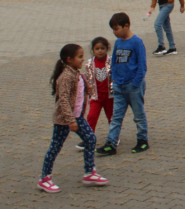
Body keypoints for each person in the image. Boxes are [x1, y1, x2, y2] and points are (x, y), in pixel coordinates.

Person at [38, 43, 109, 193]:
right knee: (55, 147)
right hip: (65, 119)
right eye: (80, 57)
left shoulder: (76, 73)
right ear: (69, 59)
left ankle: (89, 173)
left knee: (90, 139)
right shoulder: (66, 76)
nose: (83, 60)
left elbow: (78, 90)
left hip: (77, 116)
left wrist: (88, 90)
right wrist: (70, 120)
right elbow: (63, 99)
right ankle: (44, 178)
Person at [96, 13, 150, 157]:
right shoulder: (118, 42)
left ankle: (142, 139)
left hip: (133, 86)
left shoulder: (136, 42)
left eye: (116, 28)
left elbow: (142, 65)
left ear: (126, 26)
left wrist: (136, 83)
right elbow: (114, 61)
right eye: (113, 29)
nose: (114, 32)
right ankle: (111, 143)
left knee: (138, 115)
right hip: (119, 85)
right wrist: (114, 79)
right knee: (116, 116)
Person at [79, 37, 116, 150]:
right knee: (91, 116)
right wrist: (88, 91)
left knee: (112, 118)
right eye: (97, 48)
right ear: (93, 50)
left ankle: (114, 137)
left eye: (102, 48)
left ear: (107, 49)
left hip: (110, 96)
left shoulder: (111, 61)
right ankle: (89, 138)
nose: (100, 51)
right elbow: (87, 78)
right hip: (96, 96)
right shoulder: (90, 63)